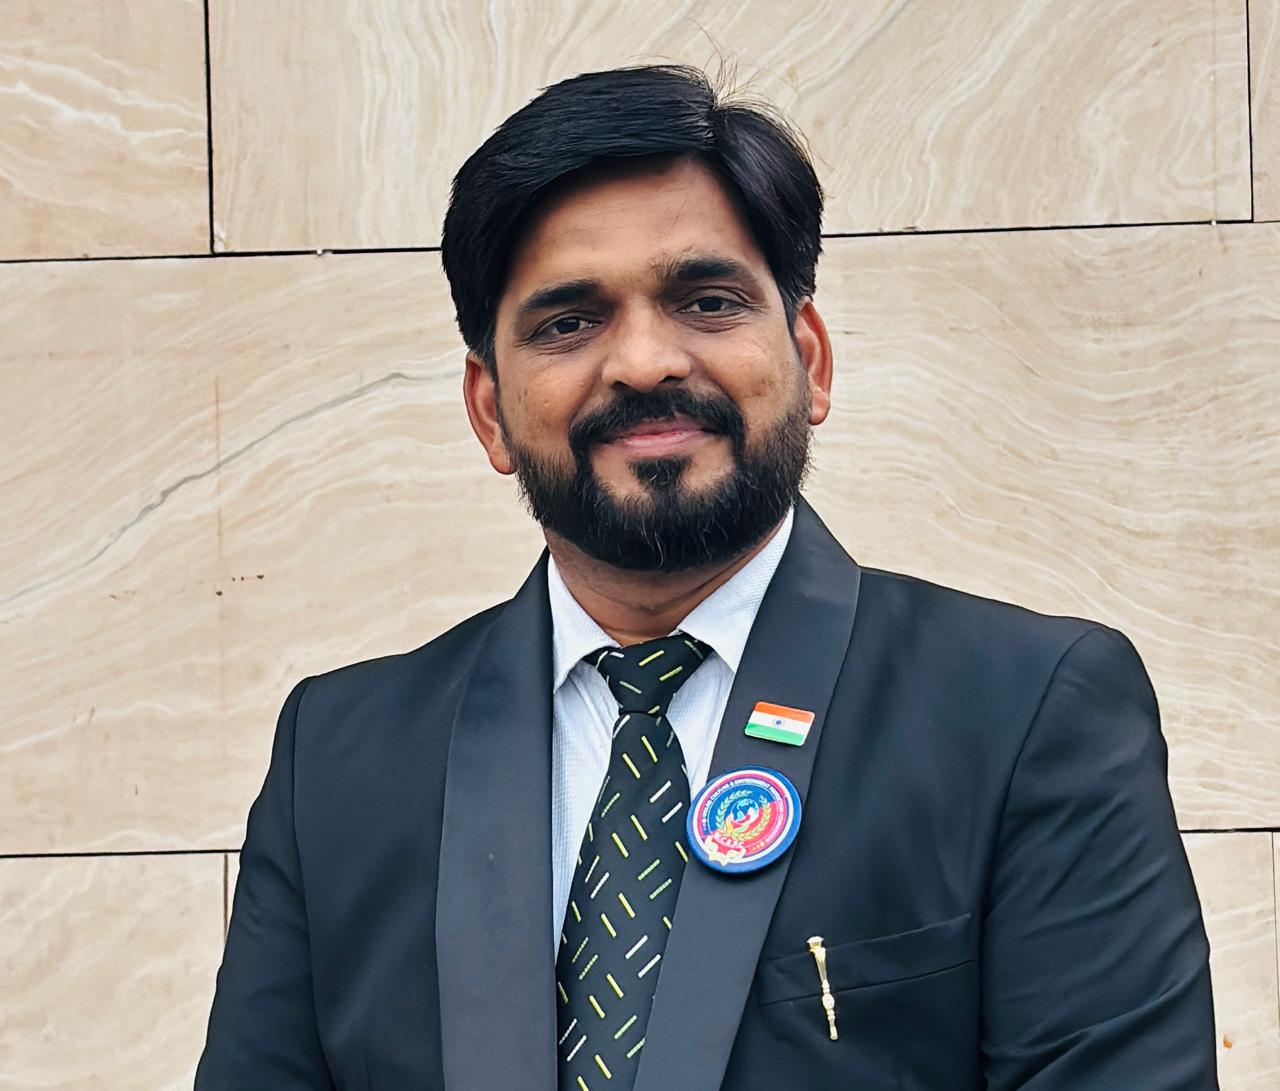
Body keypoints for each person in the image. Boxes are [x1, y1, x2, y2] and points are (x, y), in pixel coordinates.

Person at [195, 64, 1217, 1090]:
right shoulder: (339, 763)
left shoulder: (1024, 712)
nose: (644, 362)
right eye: (568, 322)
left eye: (708, 301)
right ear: (490, 410)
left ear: (811, 361)